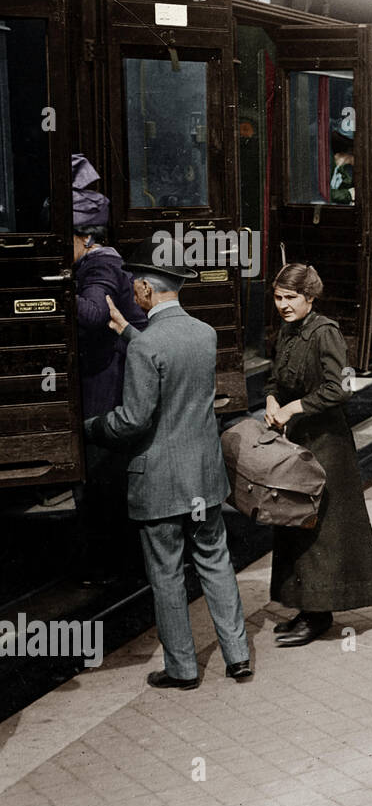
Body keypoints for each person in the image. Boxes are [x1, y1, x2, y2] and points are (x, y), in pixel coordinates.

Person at [83, 258, 251, 688]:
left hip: (159, 481)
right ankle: (238, 657)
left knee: (167, 573)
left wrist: (92, 427)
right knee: (215, 561)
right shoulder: (204, 334)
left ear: (143, 290)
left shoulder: (146, 346)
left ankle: (183, 668)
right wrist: (127, 330)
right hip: (203, 479)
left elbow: (135, 419)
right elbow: (171, 359)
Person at [265, 264, 372, 647]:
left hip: (327, 446)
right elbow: (275, 378)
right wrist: (271, 400)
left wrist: (292, 409)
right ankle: (305, 606)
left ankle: (319, 613)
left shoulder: (325, 333)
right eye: (278, 297)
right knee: (295, 524)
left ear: (310, 298)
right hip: (298, 443)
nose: (283, 305)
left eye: (291, 298)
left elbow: (339, 389)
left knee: (322, 529)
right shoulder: (288, 331)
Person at [70, 155, 148, 584]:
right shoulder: (96, 260)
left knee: (102, 474)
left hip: (109, 381)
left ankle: (111, 567)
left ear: (84, 236)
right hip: (108, 376)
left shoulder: (99, 264)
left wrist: (59, 287)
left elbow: (95, 314)